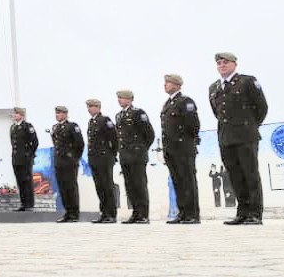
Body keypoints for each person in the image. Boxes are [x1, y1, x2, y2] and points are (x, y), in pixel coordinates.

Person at [209, 52, 268, 225]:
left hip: (245, 136)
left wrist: (249, 125)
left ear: (234, 64)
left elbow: (261, 108)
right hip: (226, 138)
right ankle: (242, 212)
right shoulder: (213, 88)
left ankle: (255, 213)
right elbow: (217, 113)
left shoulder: (248, 81)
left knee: (250, 174)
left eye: (225, 62)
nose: (222, 65)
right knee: (234, 176)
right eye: (219, 63)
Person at [160, 74, 201, 224]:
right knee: (177, 181)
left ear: (177, 85)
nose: (165, 85)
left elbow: (193, 125)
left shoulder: (185, 101)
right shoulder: (167, 104)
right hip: (170, 149)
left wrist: (186, 142)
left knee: (187, 180)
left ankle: (192, 214)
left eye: (168, 82)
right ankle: (182, 213)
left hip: (183, 148)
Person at [115, 90, 155, 224]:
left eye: (122, 98)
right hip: (125, 156)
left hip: (137, 156)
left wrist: (141, 149)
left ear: (130, 99)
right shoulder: (119, 115)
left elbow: (149, 134)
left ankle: (143, 214)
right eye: (118, 98)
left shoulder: (138, 113)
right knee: (130, 186)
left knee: (140, 185)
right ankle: (135, 213)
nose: (120, 100)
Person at [50, 105, 85, 223]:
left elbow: (79, 144)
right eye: (56, 113)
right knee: (62, 188)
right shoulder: (55, 127)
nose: (57, 115)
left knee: (71, 187)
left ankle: (74, 214)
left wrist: (75, 158)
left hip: (69, 162)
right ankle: (67, 212)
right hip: (59, 162)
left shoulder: (72, 126)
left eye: (59, 113)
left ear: (65, 114)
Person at [86, 99, 118, 223]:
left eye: (92, 106)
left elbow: (114, 139)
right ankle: (104, 213)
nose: (89, 109)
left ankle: (111, 214)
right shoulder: (91, 122)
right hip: (94, 159)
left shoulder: (105, 120)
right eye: (88, 107)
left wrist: (111, 154)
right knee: (99, 187)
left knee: (107, 186)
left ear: (98, 107)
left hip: (105, 158)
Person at [9, 107, 38, 211]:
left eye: (16, 114)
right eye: (14, 114)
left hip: (25, 158)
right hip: (16, 159)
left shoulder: (27, 126)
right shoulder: (13, 127)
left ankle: (29, 204)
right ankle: (23, 203)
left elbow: (34, 142)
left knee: (27, 181)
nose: (14, 115)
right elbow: (14, 144)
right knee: (20, 181)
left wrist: (29, 154)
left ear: (21, 115)